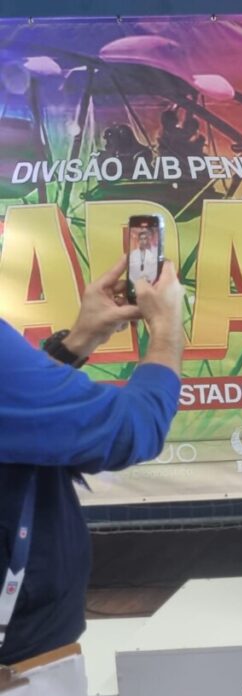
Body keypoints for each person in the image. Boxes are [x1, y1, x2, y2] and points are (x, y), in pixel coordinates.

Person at [0, 257, 184, 665]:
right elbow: (132, 429)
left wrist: (79, 340)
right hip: (20, 661)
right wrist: (167, 327)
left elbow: (18, 420)